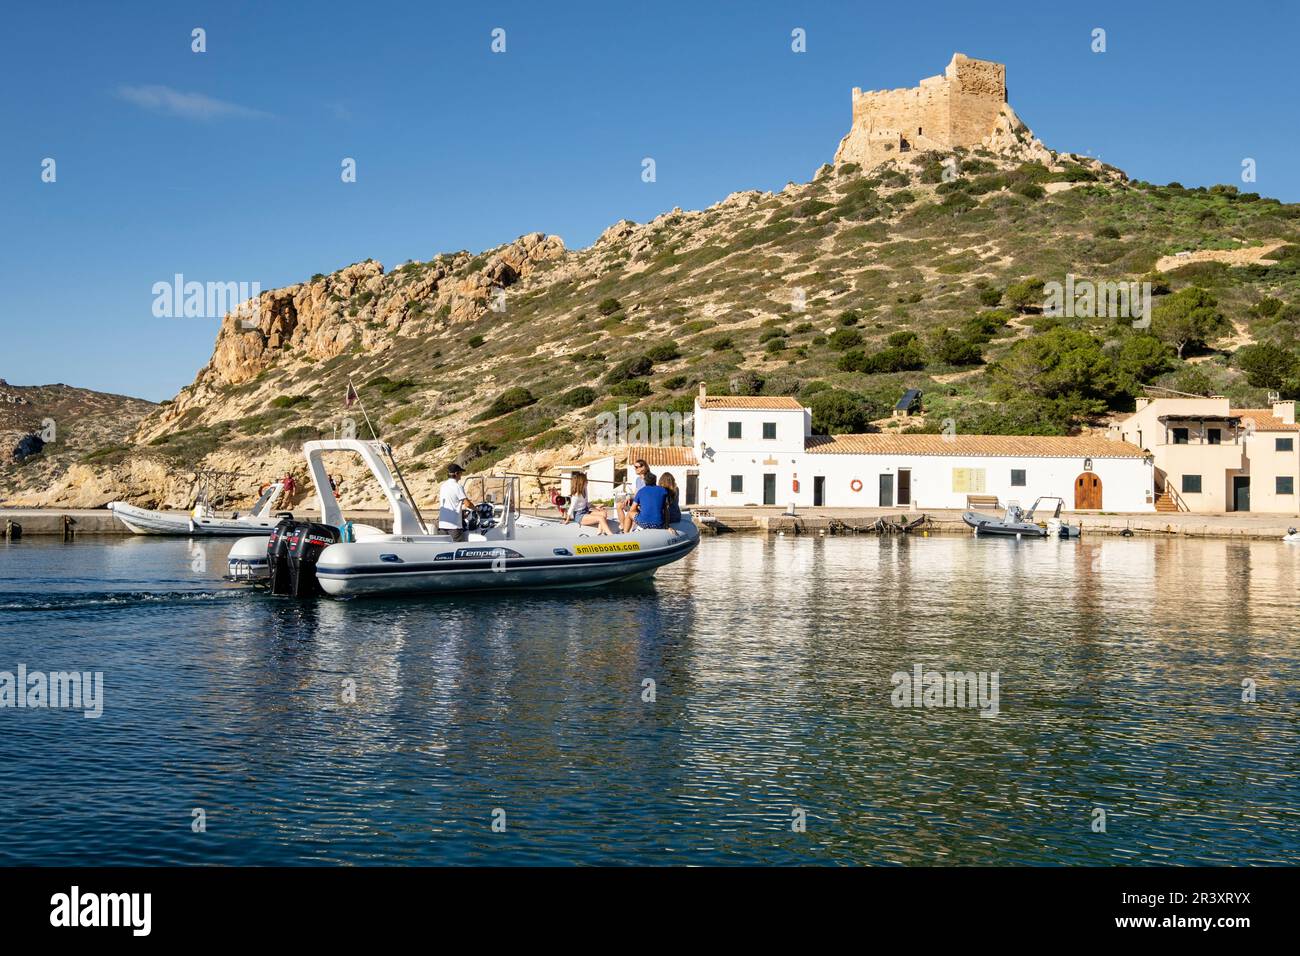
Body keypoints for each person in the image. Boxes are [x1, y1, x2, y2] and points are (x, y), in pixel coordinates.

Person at [438, 463, 476, 541]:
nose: (461, 476)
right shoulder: (457, 486)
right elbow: (467, 504)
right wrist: (476, 509)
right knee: (457, 549)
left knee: (445, 550)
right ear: (456, 473)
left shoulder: (443, 486)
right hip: (454, 526)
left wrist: (461, 514)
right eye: (461, 473)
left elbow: (451, 504)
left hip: (442, 525)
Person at [618, 459, 654, 532]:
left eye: (637, 467)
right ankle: (622, 525)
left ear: (643, 467)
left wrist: (635, 501)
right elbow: (636, 494)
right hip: (637, 502)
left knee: (631, 510)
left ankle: (628, 529)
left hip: (644, 504)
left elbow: (650, 495)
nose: (635, 469)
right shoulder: (638, 479)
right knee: (619, 505)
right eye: (634, 467)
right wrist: (629, 497)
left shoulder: (650, 479)